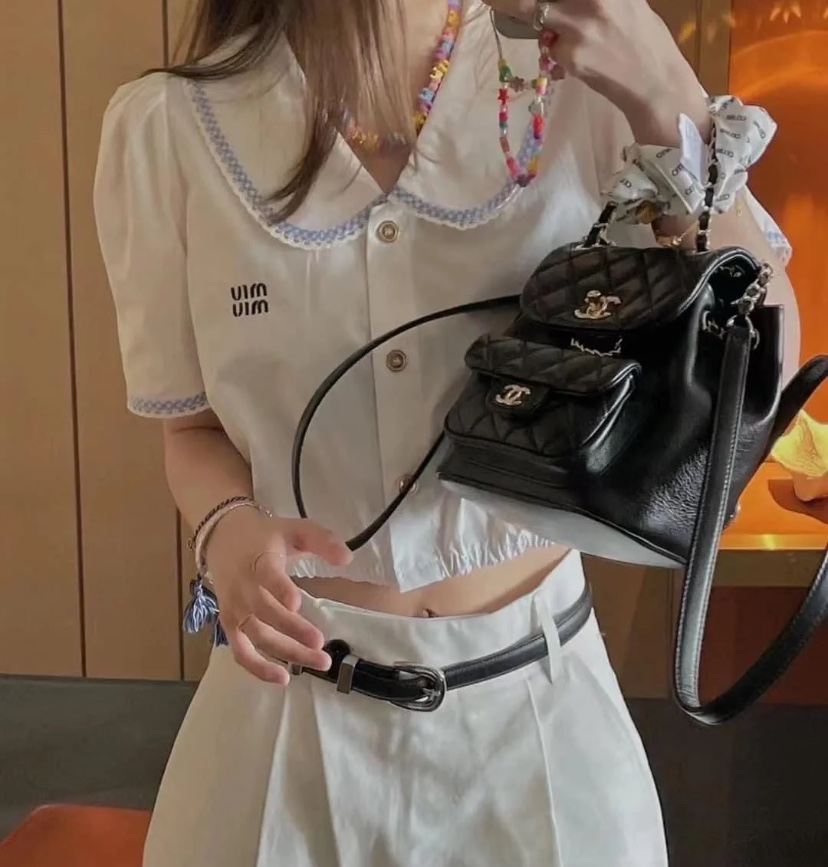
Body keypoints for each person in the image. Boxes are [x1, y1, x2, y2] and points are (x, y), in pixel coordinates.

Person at [94, 1, 798, 865]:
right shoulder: (171, 128)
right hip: (285, 727)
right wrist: (224, 530)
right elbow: (191, 429)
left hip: (537, 727)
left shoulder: (582, 84)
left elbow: (764, 367)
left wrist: (668, 97)